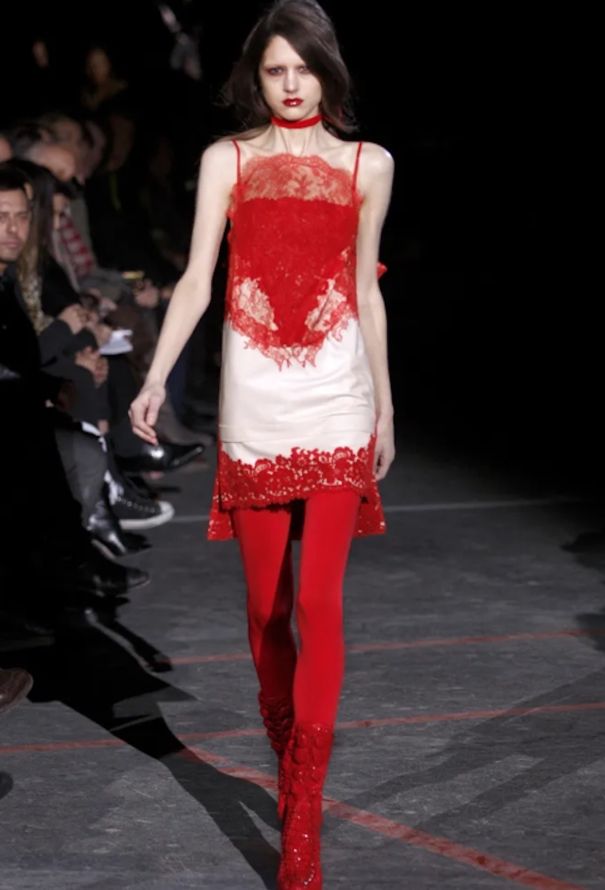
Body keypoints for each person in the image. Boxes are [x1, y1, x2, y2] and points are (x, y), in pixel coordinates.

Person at [128, 1, 395, 886]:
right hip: (256, 403)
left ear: (327, 73)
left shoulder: (367, 163)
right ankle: (287, 763)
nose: (290, 84)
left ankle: (303, 815)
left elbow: (365, 291)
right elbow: (196, 280)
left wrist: (386, 408)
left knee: (318, 601)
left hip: (336, 397)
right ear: (256, 75)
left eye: (303, 69)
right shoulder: (228, 160)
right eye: (275, 69)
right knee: (265, 613)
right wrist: (155, 378)